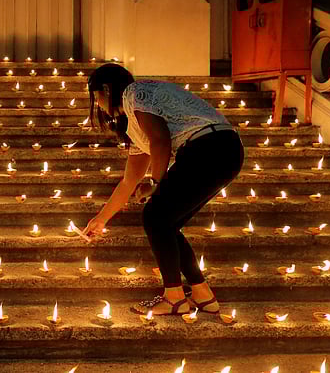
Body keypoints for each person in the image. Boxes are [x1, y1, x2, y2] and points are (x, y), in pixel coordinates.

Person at [80, 64, 244, 315]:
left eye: (96, 97)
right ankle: (202, 294)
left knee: (155, 217)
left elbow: (161, 140)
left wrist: (156, 183)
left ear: (106, 89)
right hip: (224, 150)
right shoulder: (136, 124)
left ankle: (174, 298)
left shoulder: (134, 93)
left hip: (208, 148)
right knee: (166, 222)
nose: (98, 104)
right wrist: (101, 219)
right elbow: (129, 181)